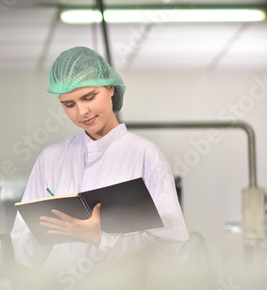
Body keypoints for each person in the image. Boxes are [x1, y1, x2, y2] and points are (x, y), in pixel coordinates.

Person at [10, 46, 189, 273]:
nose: (82, 112)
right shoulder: (51, 159)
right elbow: (23, 251)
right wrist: (53, 229)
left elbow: (172, 249)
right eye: (69, 104)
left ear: (110, 87)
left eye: (89, 97)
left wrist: (99, 238)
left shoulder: (144, 154)